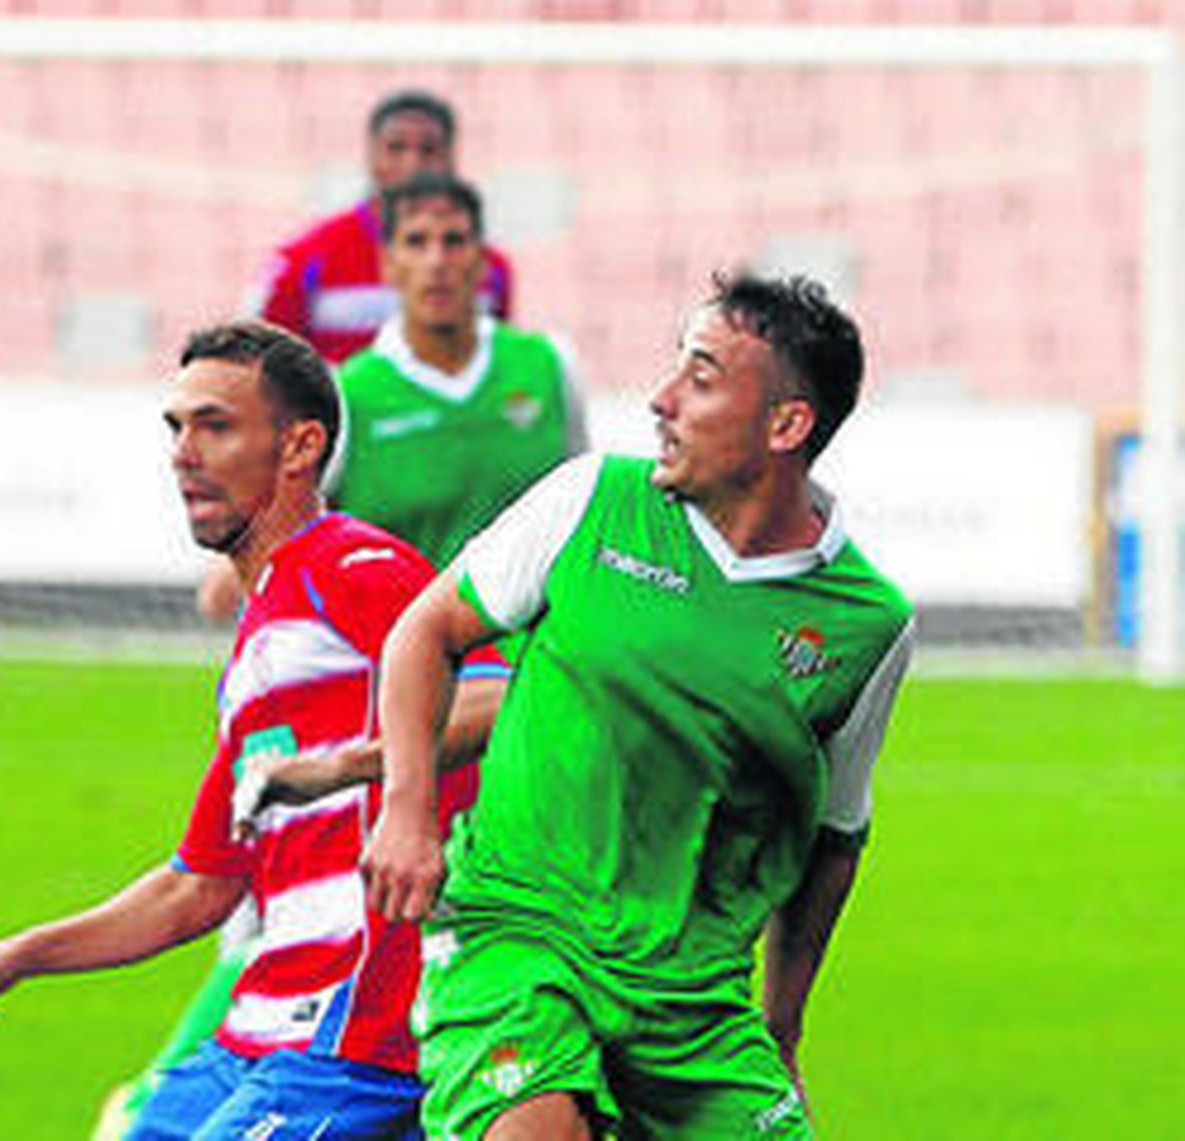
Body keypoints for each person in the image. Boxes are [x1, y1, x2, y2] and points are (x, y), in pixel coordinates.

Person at [363, 272, 915, 1139]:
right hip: (518, 933)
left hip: (692, 997)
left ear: (785, 425)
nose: (661, 400)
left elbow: (835, 836)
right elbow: (423, 633)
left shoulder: (866, 624)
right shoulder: (593, 500)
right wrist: (406, 810)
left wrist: (784, 1026)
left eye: (699, 378)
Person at [0, 320, 506, 1139]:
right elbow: (197, 883)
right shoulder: (257, 646)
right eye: (177, 427)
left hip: (356, 1036)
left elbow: (498, 694)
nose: (183, 452)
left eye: (216, 426)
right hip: (252, 1034)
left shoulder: (352, 566)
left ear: (301, 445)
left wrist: (351, 766)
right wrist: (20, 954)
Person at [328, 171, 585, 571]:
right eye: (416, 242)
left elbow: (581, 508)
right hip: (395, 632)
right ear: (388, 265)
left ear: (483, 261)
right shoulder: (346, 396)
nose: (437, 261)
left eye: (454, 241)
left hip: (531, 633)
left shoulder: (549, 365)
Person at [248, 88, 514, 365]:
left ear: (451, 156)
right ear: (371, 155)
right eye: (396, 148)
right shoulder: (304, 258)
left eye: (429, 150)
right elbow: (261, 363)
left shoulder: (490, 267)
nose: (412, 163)